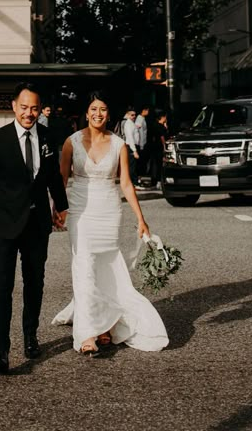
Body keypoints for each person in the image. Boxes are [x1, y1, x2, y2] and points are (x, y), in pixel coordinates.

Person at [52, 92, 168, 356]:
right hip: (81, 211)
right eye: (94, 108)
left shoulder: (119, 144)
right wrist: (58, 208)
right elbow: (62, 178)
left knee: (106, 267)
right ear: (86, 111)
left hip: (108, 211)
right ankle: (87, 332)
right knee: (83, 266)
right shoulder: (72, 142)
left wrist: (141, 219)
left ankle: (106, 324)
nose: (98, 114)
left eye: (103, 109)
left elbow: (125, 183)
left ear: (108, 113)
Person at [0, 82, 69, 374]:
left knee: (34, 284)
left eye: (34, 108)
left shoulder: (48, 136)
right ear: (14, 106)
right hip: (3, 225)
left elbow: (52, 179)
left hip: (37, 225)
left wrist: (60, 207)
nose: (29, 113)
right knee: (2, 288)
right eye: (24, 107)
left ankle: (30, 336)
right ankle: (0, 352)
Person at [148, 112, 169, 189]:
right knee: (160, 164)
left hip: (154, 147)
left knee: (155, 164)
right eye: (165, 117)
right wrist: (164, 147)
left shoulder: (154, 125)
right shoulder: (160, 127)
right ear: (162, 117)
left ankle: (154, 181)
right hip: (160, 147)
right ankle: (159, 181)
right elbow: (162, 137)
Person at [122, 108, 139, 184]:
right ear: (128, 115)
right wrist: (134, 151)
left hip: (133, 146)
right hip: (130, 146)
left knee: (133, 165)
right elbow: (130, 138)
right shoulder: (128, 124)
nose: (134, 116)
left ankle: (133, 182)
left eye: (135, 115)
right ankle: (133, 183)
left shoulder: (132, 123)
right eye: (132, 115)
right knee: (132, 166)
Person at [135, 107, 150, 184]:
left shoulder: (142, 119)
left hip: (143, 142)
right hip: (141, 143)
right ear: (143, 111)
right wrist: (141, 145)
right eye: (147, 110)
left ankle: (140, 177)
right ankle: (138, 178)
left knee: (142, 161)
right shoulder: (139, 119)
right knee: (140, 162)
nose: (148, 112)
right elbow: (139, 133)